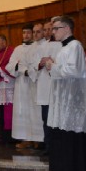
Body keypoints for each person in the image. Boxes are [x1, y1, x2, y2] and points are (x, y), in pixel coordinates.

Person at [45, 16, 86, 171]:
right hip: (61, 101)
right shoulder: (63, 49)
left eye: (56, 29)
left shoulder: (75, 46)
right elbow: (60, 73)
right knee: (61, 138)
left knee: (71, 140)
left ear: (66, 28)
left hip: (72, 102)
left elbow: (74, 71)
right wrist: (52, 67)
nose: (53, 32)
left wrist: (52, 66)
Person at [7, 24, 44, 149]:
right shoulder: (18, 49)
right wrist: (20, 68)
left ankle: (38, 139)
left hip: (34, 82)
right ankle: (25, 139)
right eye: (24, 33)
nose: (26, 35)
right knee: (23, 110)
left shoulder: (37, 47)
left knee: (35, 110)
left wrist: (29, 69)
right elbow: (10, 65)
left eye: (28, 32)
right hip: (21, 84)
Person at [34, 18, 62, 153]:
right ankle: (48, 146)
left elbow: (64, 64)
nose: (47, 32)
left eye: (49, 29)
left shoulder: (62, 45)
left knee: (57, 118)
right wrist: (40, 64)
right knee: (46, 117)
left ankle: (58, 146)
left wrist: (52, 61)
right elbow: (33, 65)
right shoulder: (41, 47)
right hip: (44, 86)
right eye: (44, 30)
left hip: (56, 86)